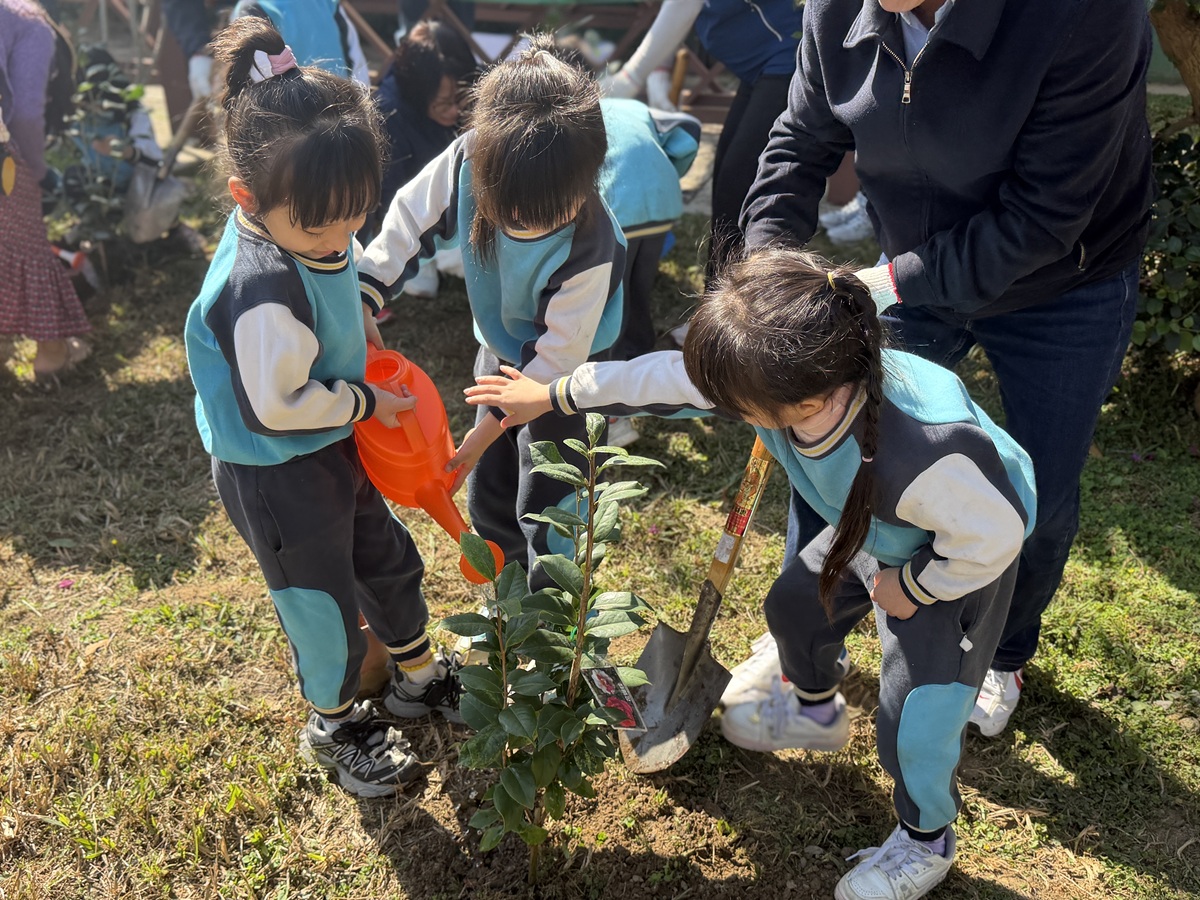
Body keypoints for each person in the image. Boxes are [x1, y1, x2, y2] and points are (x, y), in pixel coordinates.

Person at [462, 248, 1037, 900]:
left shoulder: (926, 455)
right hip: (870, 525)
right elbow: (665, 379)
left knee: (916, 716)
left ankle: (926, 837)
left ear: (806, 400)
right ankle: (814, 708)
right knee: (795, 608)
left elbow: (995, 535)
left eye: (731, 402)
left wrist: (911, 587)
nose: (716, 405)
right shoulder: (782, 361)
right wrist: (553, 393)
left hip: (952, 556)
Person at [740, 0, 1155, 737]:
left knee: (1035, 494)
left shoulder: (1089, 14)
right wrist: (765, 272)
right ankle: (810, 630)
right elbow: (800, 142)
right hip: (910, 259)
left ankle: (1002, 651)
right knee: (832, 444)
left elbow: (1043, 217)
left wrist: (883, 284)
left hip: (1065, 280)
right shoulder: (834, 11)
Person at [184, 17, 464, 799]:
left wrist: (361, 327)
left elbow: (338, 278)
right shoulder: (259, 291)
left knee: (386, 556)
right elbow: (278, 406)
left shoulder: (310, 221)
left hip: (333, 437)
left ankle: (416, 675)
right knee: (321, 602)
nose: (342, 237)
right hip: (277, 468)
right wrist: (367, 399)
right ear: (247, 198)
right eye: (324, 224)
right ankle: (335, 724)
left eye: (357, 213)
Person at [358, 34, 626, 590]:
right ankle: (505, 592)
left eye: (550, 211)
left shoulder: (592, 246)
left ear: (587, 178)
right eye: (515, 212)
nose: (531, 223)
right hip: (500, 345)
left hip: (565, 372)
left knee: (550, 491)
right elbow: (409, 220)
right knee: (491, 489)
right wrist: (367, 292)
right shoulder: (469, 159)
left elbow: (555, 358)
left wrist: (485, 430)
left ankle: (553, 603)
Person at [603, 0, 869, 281]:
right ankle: (719, 295)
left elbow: (683, 5)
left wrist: (629, 79)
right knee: (727, 184)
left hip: (787, 59)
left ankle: (748, 295)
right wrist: (658, 76)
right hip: (761, 67)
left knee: (742, 187)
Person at [0, 0, 91, 384]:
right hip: (4, 161)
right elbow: (24, 112)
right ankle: (52, 354)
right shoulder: (29, 21)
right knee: (26, 246)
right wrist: (33, 169)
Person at [369, 20, 480, 296]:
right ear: (417, 93)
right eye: (442, 103)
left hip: (466, 207)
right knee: (424, 284)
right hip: (417, 217)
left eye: (460, 98)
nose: (454, 111)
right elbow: (388, 200)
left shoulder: (472, 96)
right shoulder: (389, 115)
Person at [232, 0, 371, 86]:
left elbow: (259, 78)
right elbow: (359, 70)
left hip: (291, 115)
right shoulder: (329, 4)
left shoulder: (251, 8)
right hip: (340, 111)